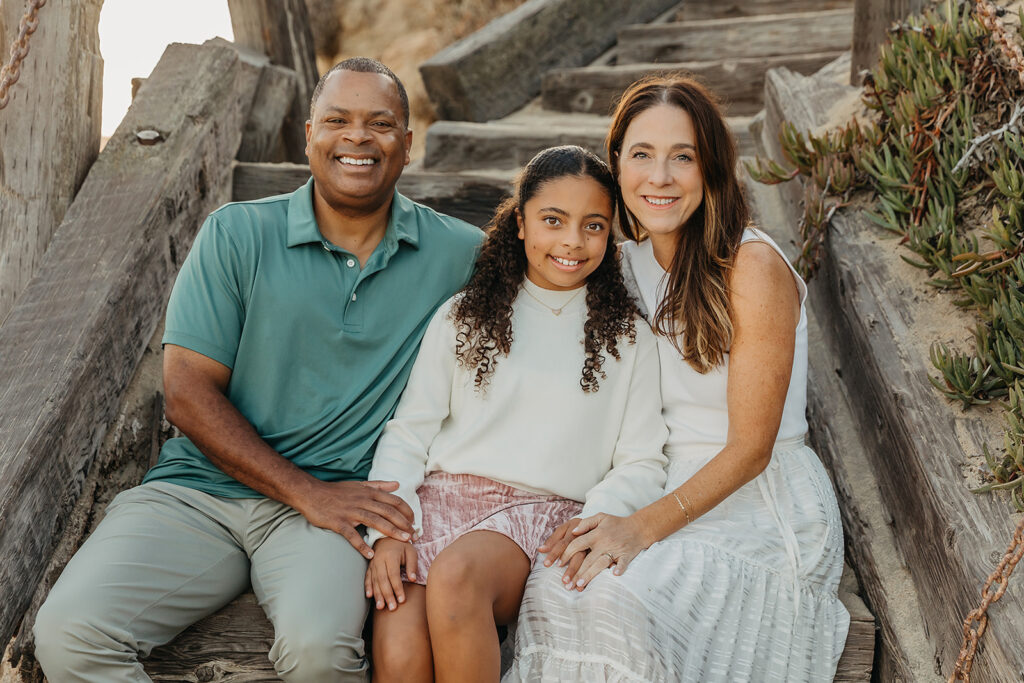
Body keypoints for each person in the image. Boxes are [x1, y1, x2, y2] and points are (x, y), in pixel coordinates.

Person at [32, 58, 483, 682]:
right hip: (200, 493)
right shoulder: (237, 234)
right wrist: (306, 493)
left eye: (380, 123)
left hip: (339, 510)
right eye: (337, 120)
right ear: (308, 135)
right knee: (67, 634)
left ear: (408, 145)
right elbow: (187, 394)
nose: (357, 137)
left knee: (320, 654)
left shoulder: (461, 256)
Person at [505, 76, 850, 682]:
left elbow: (751, 449)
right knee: (556, 590)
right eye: (641, 155)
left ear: (710, 168)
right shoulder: (618, 265)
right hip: (651, 478)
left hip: (760, 499)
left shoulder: (751, 266)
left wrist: (639, 529)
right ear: (616, 165)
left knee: (622, 598)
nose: (659, 177)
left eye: (681, 157)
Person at [364, 145, 668, 683]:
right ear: (521, 222)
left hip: (538, 517)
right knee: (400, 647)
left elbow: (642, 459)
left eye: (593, 225)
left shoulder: (627, 337)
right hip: (438, 505)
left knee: (458, 578)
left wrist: (597, 516)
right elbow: (410, 432)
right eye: (553, 220)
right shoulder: (467, 315)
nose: (572, 241)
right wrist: (388, 529)